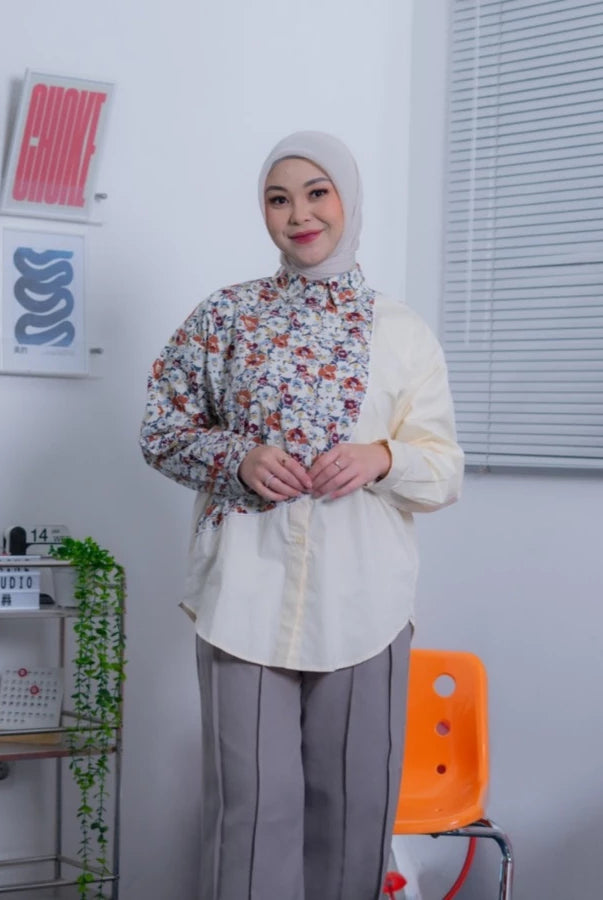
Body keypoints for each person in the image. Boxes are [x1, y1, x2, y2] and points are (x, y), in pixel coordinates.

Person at [140, 131, 464, 900]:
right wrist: (237, 458)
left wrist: (381, 456)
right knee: (251, 817)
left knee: (354, 817)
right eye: (277, 199)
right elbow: (161, 429)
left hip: (365, 604)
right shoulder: (224, 318)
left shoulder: (402, 332)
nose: (298, 215)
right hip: (243, 599)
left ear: (348, 198)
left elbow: (442, 468)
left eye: (317, 193)